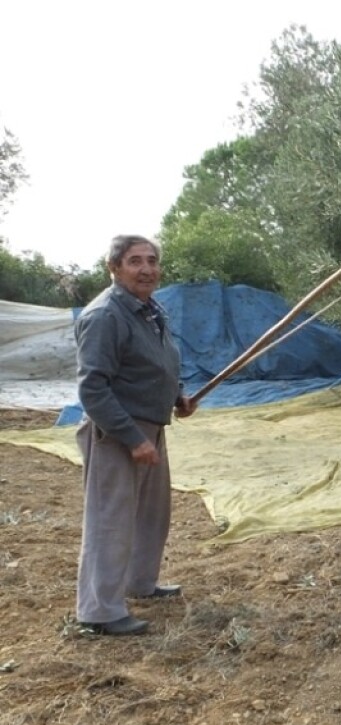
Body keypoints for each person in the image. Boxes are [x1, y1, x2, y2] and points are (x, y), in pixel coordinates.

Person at [74, 235, 197, 636]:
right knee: (110, 521)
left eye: (152, 260)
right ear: (114, 268)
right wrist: (132, 437)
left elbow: (153, 363)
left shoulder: (148, 309)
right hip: (118, 432)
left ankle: (139, 583)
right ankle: (99, 611)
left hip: (151, 424)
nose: (146, 269)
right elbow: (93, 388)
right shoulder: (105, 316)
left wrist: (177, 396)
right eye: (134, 261)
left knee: (151, 515)